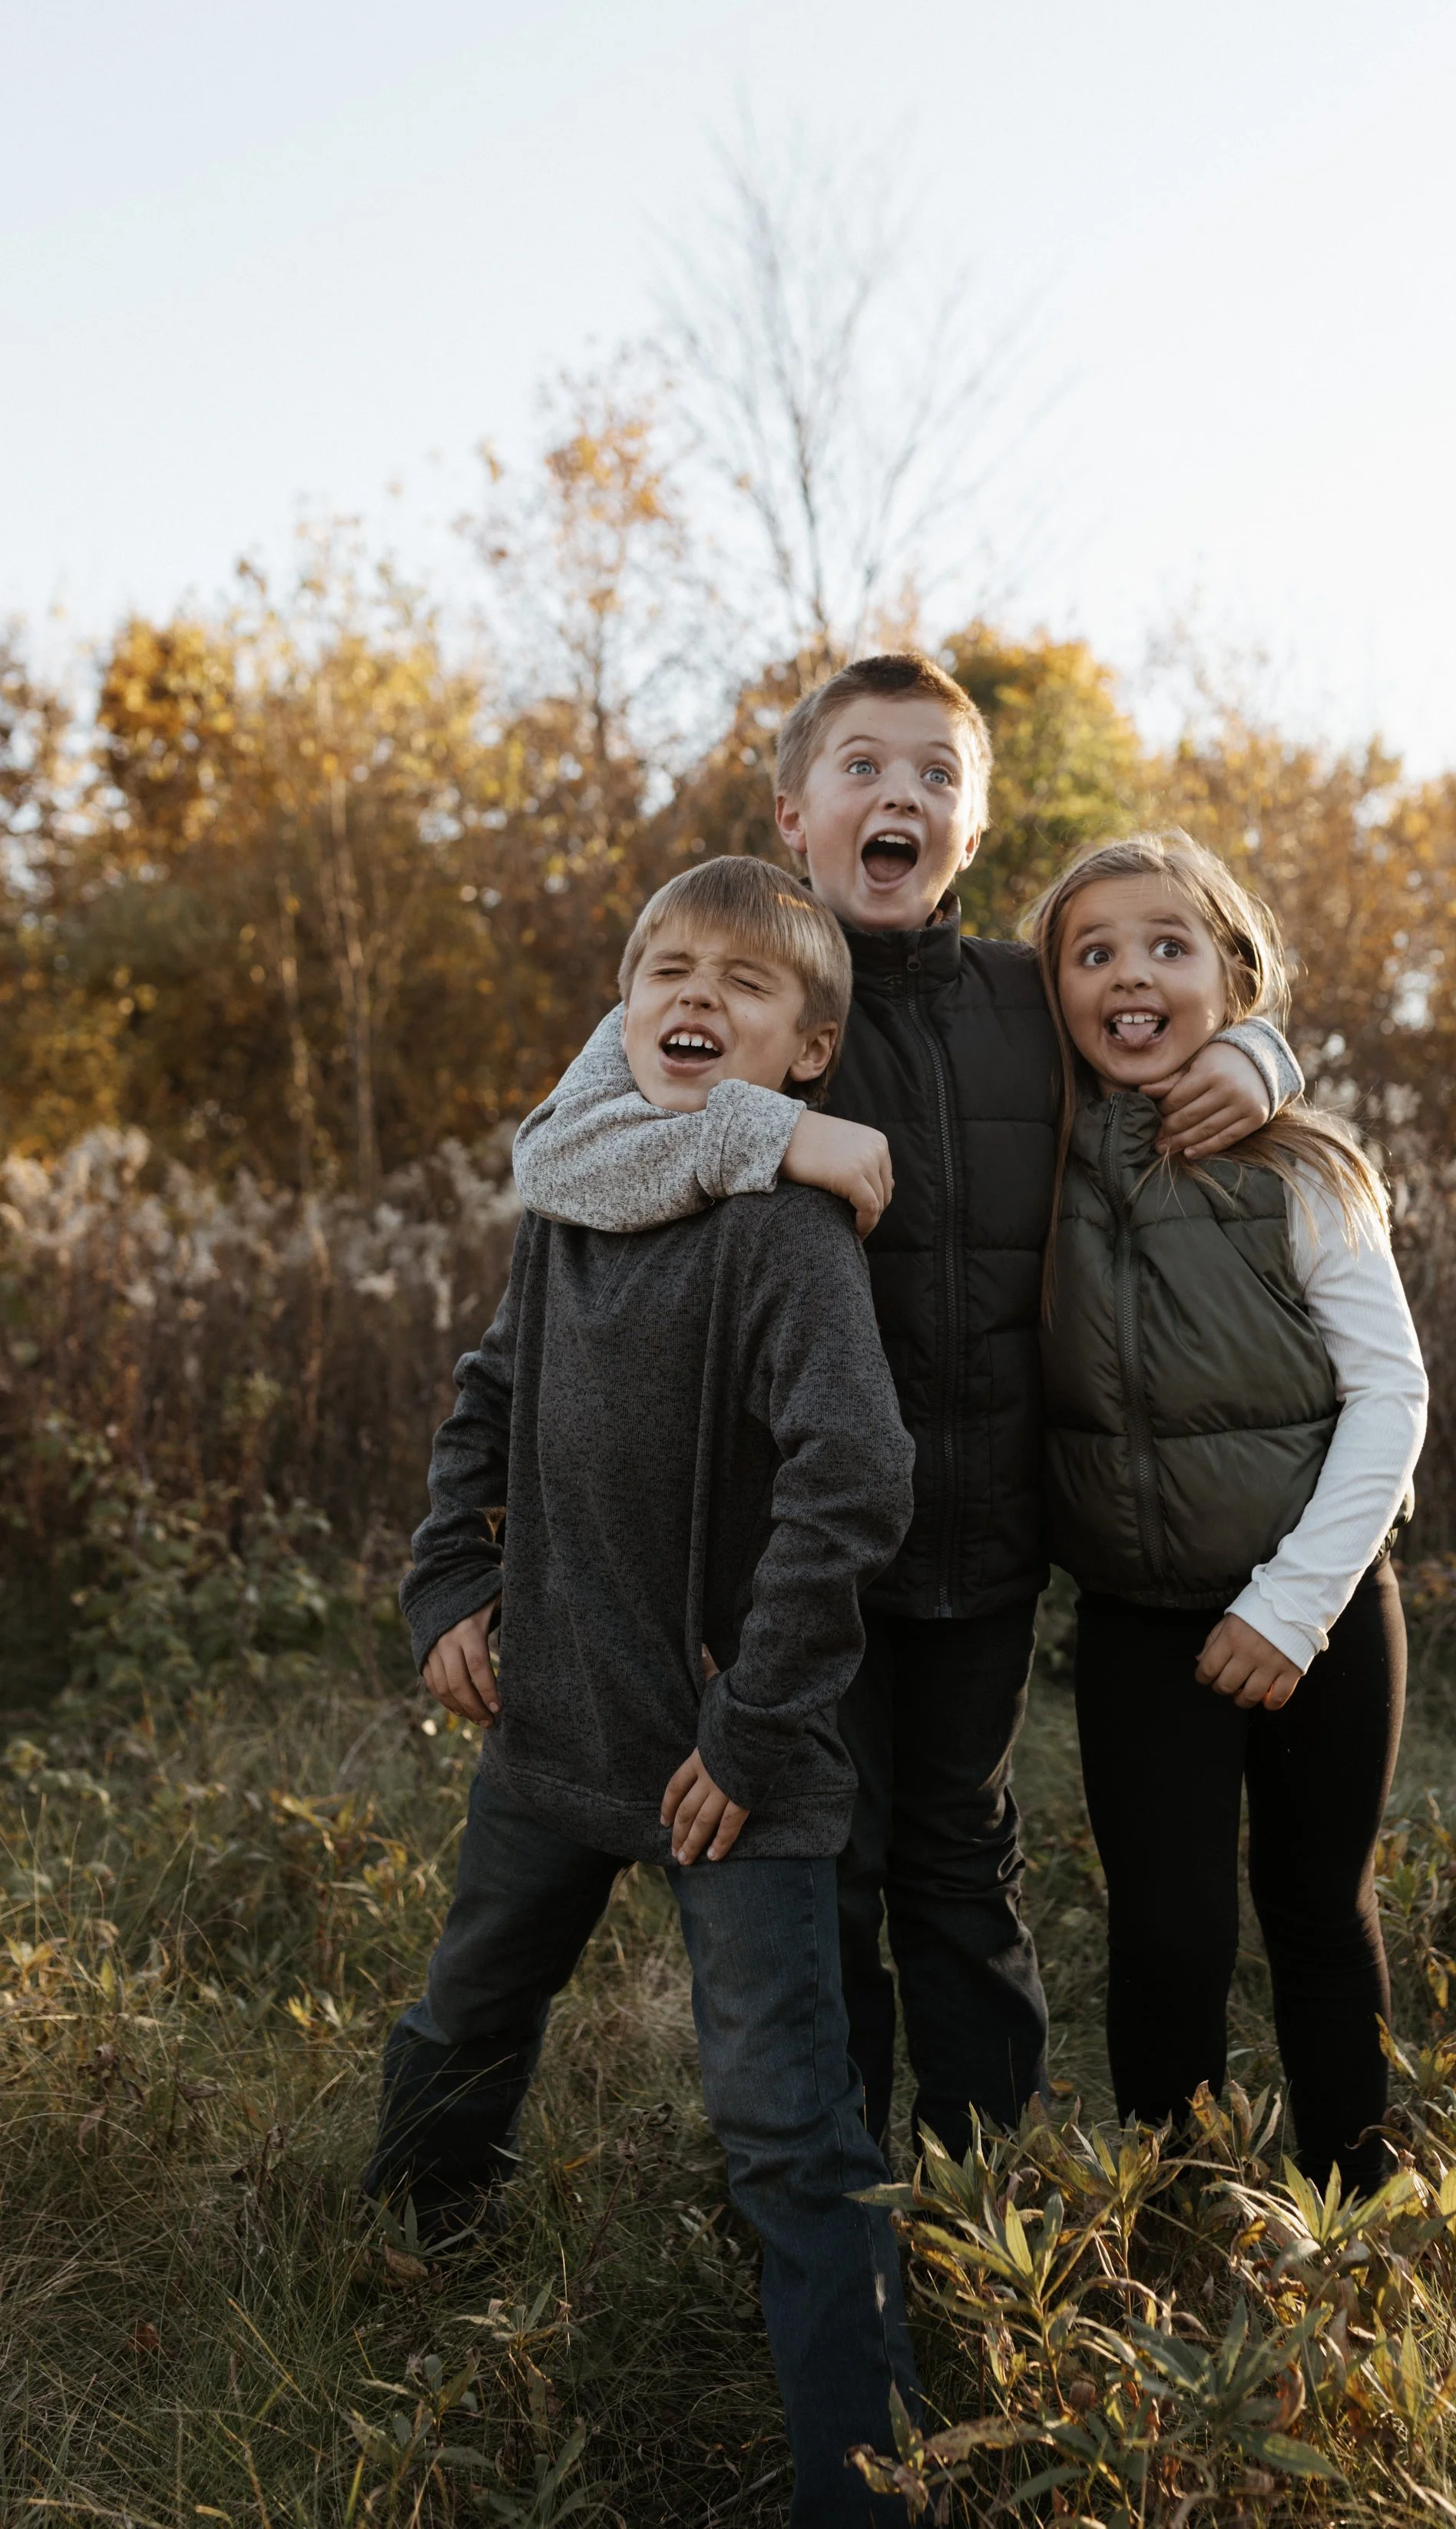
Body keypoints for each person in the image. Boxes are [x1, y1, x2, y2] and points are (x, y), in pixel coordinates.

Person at [510, 651, 1301, 2159]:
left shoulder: (1022, 997)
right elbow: (556, 1155)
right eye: (864, 766)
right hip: (795, 1551)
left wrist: (1257, 1054)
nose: (900, 795)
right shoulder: (748, 988)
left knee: (960, 1856)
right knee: (828, 1865)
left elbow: (1171, 1011)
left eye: (935, 774)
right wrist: (768, 1132)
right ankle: (835, 2194)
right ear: (794, 812)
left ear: (973, 826)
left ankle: (983, 2198)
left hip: (987, 1534)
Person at [365, 857, 920, 2529]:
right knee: (469, 2013)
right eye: (666, 968)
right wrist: (453, 1581)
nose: (697, 994)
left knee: (786, 2131)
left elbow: (856, 1479)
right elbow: (486, 1393)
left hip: (729, 1768)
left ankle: (866, 2483)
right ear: (622, 1008)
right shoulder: (576, 1206)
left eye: (746, 983)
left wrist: (752, 1724)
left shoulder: (783, 1235)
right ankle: (401, 2268)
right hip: (552, 1730)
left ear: (807, 1052)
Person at [1025, 832, 1429, 2194]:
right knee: (1168, 1937)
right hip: (1141, 1624)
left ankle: (1358, 2223)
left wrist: (1291, 1606)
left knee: (1319, 1915)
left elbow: (1392, 1400)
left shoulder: (1304, 1171)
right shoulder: (1042, 1163)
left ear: (1234, 979)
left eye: (1167, 946)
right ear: (1054, 993)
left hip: (1320, 1611)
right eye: (1093, 954)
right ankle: (1177, 2227)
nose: (1130, 975)